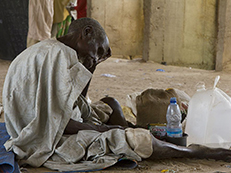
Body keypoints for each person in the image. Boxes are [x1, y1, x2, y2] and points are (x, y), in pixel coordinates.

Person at [3, 18, 231, 172]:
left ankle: (127, 129)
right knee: (136, 140)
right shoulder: (57, 58)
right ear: (86, 32)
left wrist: (93, 63)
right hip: (44, 138)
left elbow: (78, 99)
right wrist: (107, 130)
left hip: (55, 121)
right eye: (100, 50)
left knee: (111, 102)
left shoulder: (58, 51)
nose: (100, 57)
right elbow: (58, 124)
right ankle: (192, 152)